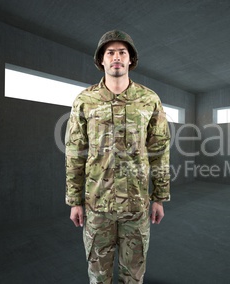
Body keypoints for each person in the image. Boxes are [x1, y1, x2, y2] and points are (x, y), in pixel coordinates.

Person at [65, 30, 171, 284]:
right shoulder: (85, 101)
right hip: (97, 206)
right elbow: (74, 152)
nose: (116, 57)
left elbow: (160, 150)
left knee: (133, 275)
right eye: (110, 52)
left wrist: (159, 197)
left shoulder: (149, 100)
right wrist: (74, 200)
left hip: (136, 206)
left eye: (122, 52)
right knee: (99, 276)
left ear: (130, 60)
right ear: (101, 59)